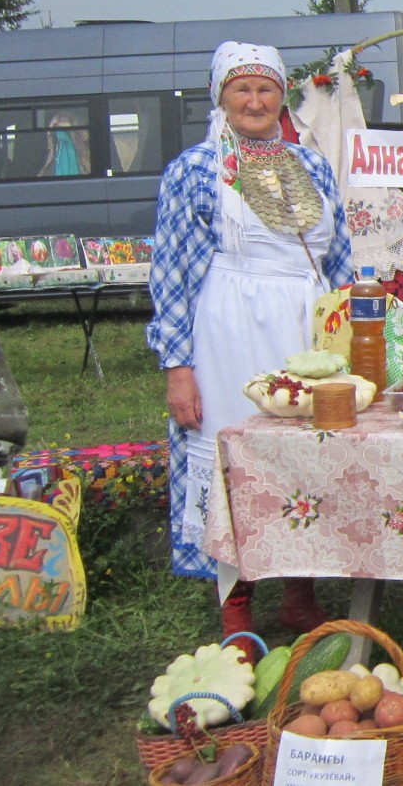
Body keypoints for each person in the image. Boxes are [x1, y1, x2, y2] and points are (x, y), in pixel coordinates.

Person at [147, 42, 355, 648]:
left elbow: (337, 255)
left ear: (282, 97)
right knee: (233, 460)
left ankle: (299, 593)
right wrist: (177, 364)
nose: (256, 101)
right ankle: (236, 605)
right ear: (221, 97)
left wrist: (347, 326)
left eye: (266, 90)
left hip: (303, 327)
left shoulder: (310, 165)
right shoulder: (195, 169)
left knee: (304, 453)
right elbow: (173, 272)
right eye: (242, 90)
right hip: (227, 325)